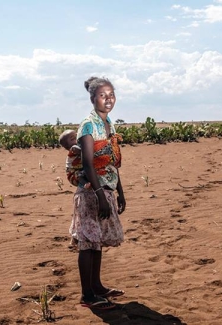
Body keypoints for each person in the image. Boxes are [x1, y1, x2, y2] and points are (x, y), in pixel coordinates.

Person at [69, 76, 126, 310]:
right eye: (103, 95)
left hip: (107, 189)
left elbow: (112, 161)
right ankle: (87, 296)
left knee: (98, 240)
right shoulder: (88, 125)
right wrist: (101, 195)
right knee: (88, 242)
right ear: (93, 99)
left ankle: (97, 287)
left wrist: (120, 192)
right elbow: (89, 164)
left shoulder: (108, 123)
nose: (108, 99)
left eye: (111, 94)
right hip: (91, 193)